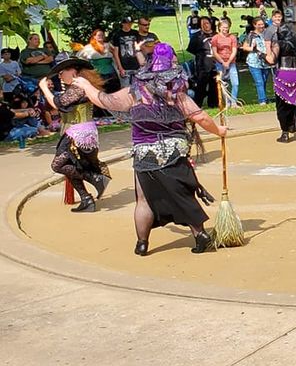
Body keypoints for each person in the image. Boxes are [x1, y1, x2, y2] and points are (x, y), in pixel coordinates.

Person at [70, 43, 227, 255]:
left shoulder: (134, 93)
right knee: (182, 193)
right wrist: (219, 130)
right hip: (174, 151)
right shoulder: (176, 94)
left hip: (145, 153)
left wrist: (86, 86)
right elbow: (200, 116)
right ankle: (200, 234)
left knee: (143, 200)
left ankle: (142, 244)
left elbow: (104, 100)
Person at [38, 56, 111, 212]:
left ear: (73, 71)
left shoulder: (78, 86)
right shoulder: (77, 86)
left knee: (57, 165)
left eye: (62, 71)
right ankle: (86, 198)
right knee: (68, 165)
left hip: (78, 133)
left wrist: (44, 88)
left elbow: (59, 103)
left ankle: (95, 178)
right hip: (79, 131)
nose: (60, 75)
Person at [187, 16, 219, 108]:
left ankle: (213, 104)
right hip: (203, 65)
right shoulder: (197, 36)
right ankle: (198, 105)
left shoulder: (216, 35)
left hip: (215, 64)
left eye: (207, 23)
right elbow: (192, 49)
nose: (205, 26)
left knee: (214, 85)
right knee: (201, 85)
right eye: (203, 24)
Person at [79, 29, 123, 93]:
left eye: (102, 35)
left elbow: (116, 55)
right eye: (99, 35)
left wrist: (120, 67)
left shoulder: (108, 45)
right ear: (94, 36)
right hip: (97, 74)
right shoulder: (88, 48)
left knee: (114, 91)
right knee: (101, 92)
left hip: (111, 73)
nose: (101, 37)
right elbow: (80, 58)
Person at [211, 18, 240, 103]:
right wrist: (223, 62)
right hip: (220, 63)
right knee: (223, 83)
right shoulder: (215, 38)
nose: (225, 29)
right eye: (223, 27)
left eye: (226, 27)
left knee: (235, 83)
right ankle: (227, 102)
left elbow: (234, 50)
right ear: (219, 27)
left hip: (231, 62)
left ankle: (234, 101)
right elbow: (215, 52)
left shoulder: (232, 37)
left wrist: (228, 61)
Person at [242, 18, 271, 105]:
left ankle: (264, 97)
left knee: (264, 80)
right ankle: (262, 100)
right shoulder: (251, 35)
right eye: (259, 24)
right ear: (254, 25)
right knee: (259, 82)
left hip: (266, 61)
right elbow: (244, 47)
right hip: (254, 61)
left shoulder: (267, 33)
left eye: (262, 24)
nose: (261, 26)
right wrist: (252, 48)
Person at [112, 18, 142, 83]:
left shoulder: (135, 33)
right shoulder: (117, 35)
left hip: (137, 65)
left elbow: (140, 48)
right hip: (125, 66)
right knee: (126, 87)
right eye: (127, 23)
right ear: (123, 23)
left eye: (130, 23)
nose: (129, 24)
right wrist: (120, 67)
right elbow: (116, 53)